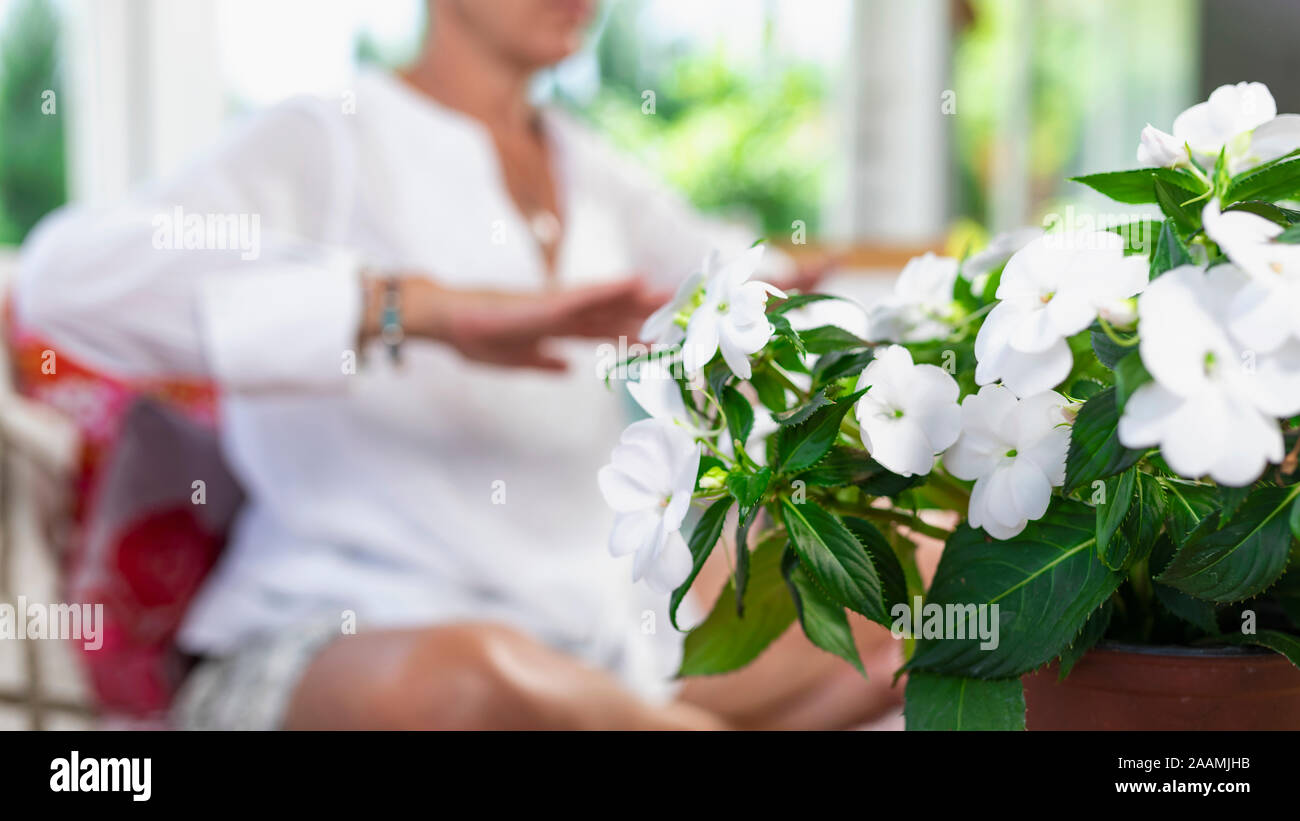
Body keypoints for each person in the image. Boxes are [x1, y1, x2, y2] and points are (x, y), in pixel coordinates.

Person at [16, 0, 902, 729]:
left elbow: (726, 279)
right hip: (360, 647)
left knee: (915, 595)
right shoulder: (323, 140)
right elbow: (66, 280)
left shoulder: (596, 174)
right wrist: (416, 310)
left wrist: (809, 316)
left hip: (596, 651)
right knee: (469, 681)